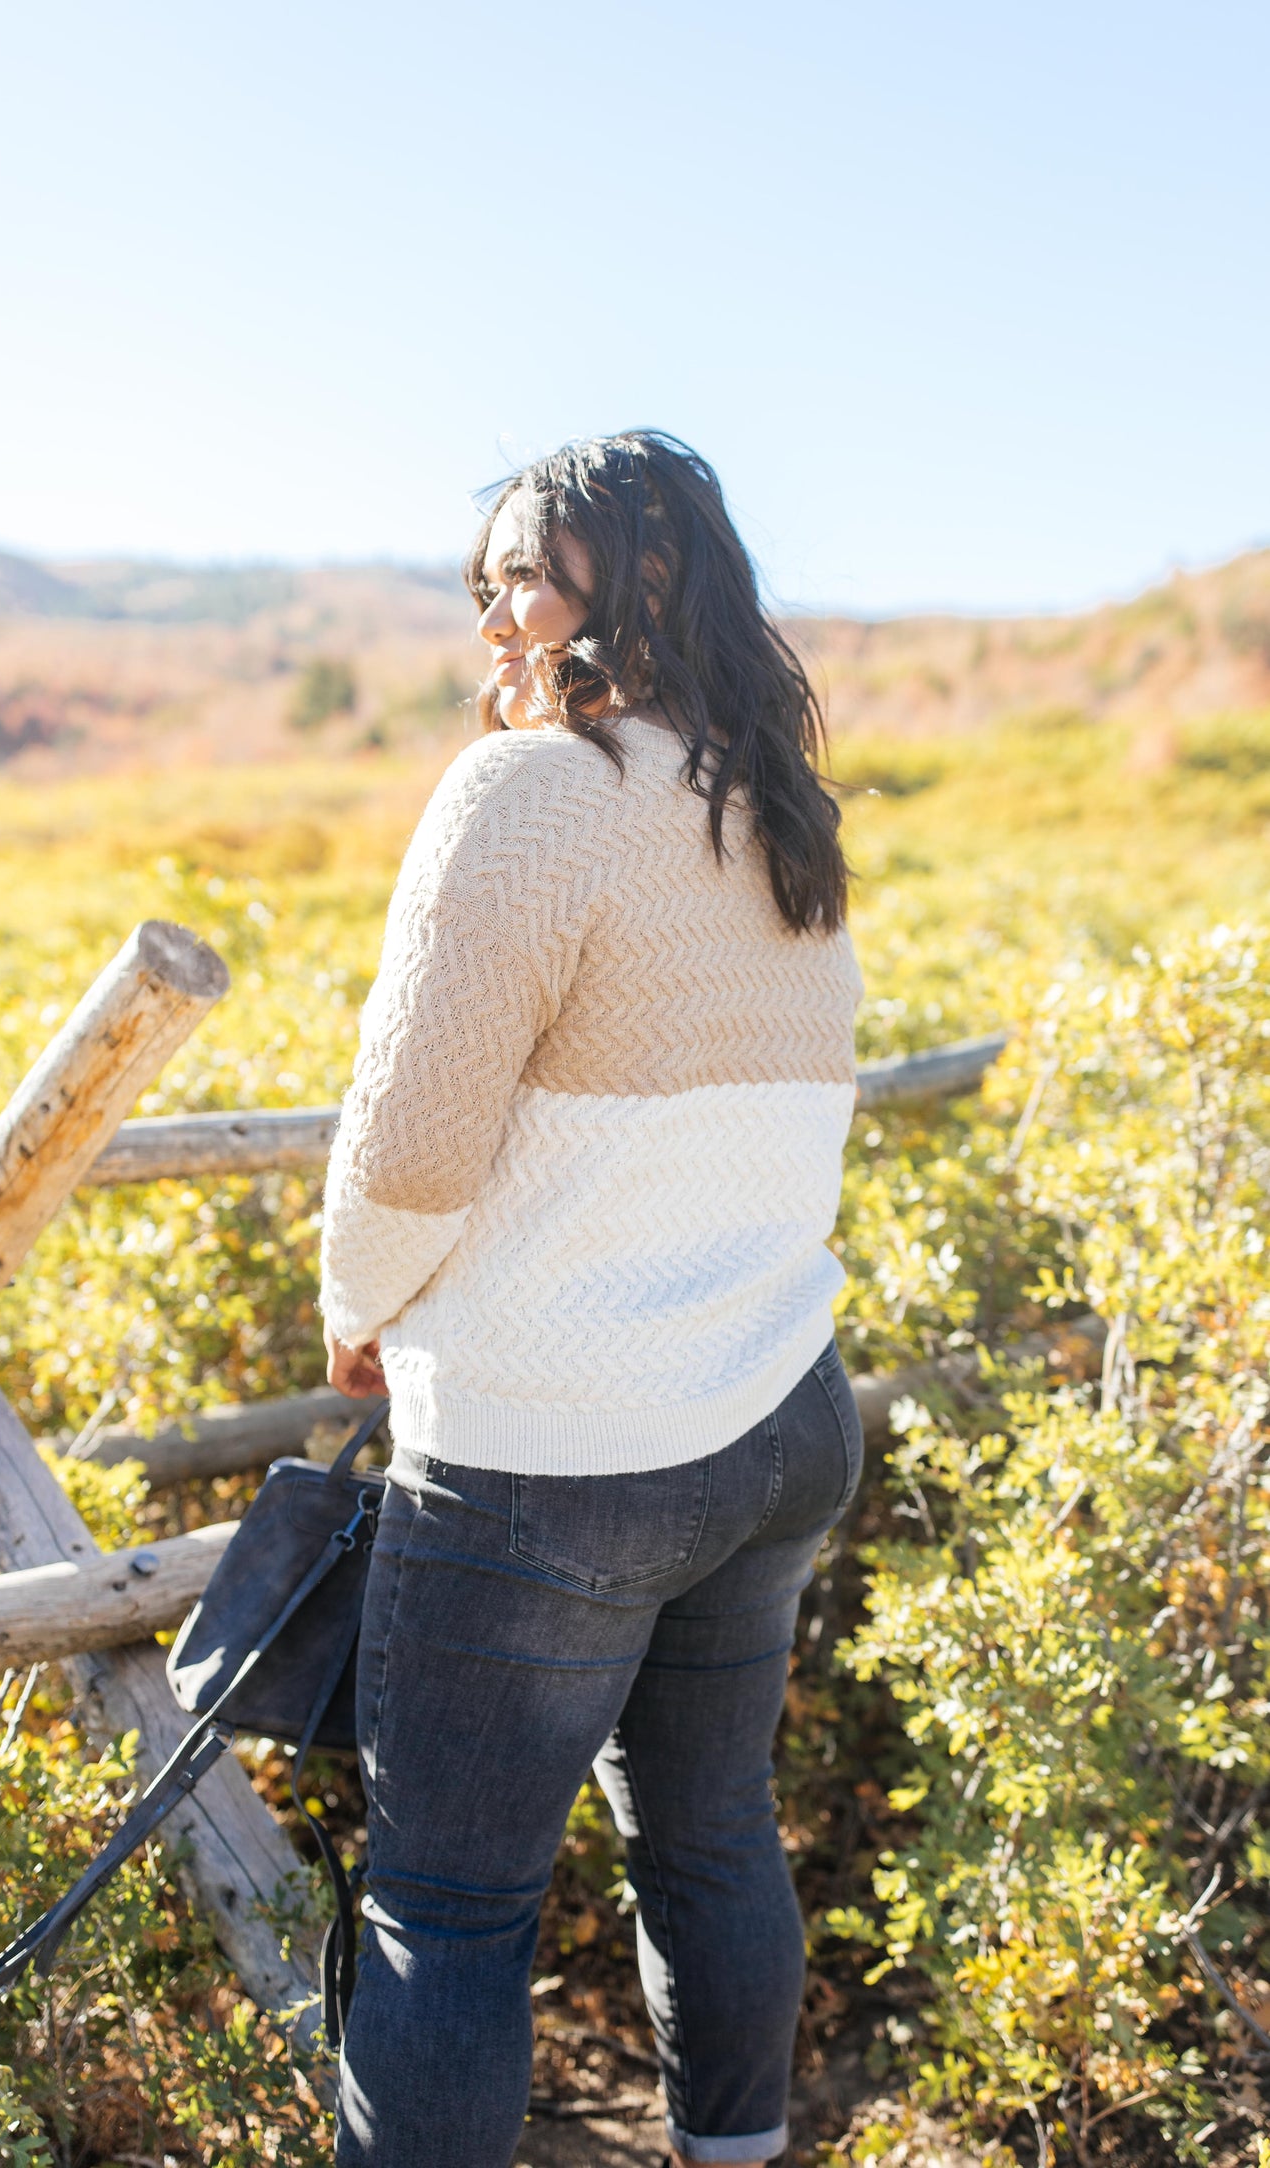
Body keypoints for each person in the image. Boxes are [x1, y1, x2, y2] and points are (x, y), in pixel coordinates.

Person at [319, 431, 863, 2168]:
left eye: (521, 577)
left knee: (446, 1914)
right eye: (474, 580)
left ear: (629, 590)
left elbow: (409, 1141)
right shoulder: (770, 801)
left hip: (562, 1455)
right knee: (709, 1838)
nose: (490, 615)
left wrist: (358, 1307)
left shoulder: (531, 791)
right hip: (781, 1408)